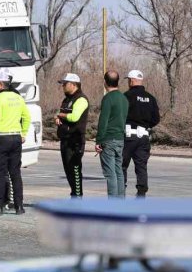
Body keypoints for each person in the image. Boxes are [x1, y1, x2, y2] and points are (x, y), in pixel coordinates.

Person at [0, 68, 30, 216]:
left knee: (1, 174)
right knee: (15, 173)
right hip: (16, 138)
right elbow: (27, 117)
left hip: (1, 139)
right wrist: (23, 133)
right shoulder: (19, 98)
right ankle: (19, 206)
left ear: (1, 84)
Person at [123, 70, 161, 198]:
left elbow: (119, 115)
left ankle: (120, 193)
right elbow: (156, 119)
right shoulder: (151, 98)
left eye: (128, 80)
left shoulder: (126, 96)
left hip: (128, 137)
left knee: (122, 165)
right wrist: (145, 125)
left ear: (131, 81)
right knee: (141, 167)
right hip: (143, 137)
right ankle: (141, 195)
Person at [94, 71, 128, 199]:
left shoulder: (108, 98)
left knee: (110, 173)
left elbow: (103, 121)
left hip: (108, 139)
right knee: (119, 171)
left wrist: (98, 141)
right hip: (120, 138)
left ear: (105, 82)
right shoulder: (123, 98)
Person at [55, 73, 90, 198]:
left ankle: (78, 196)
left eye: (65, 84)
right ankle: (74, 194)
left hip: (75, 139)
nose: (63, 86)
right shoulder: (66, 99)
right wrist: (57, 118)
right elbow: (61, 113)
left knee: (75, 169)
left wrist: (61, 115)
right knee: (68, 170)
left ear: (74, 84)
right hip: (65, 139)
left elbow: (74, 117)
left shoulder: (81, 99)